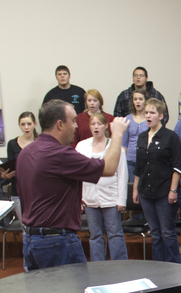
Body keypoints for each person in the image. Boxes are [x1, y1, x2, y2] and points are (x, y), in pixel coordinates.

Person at [16, 100, 127, 270]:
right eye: (73, 121)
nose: (76, 126)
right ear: (60, 124)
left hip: (31, 240)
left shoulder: (26, 153)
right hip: (57, 241)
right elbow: (109, 168)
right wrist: (117, 135)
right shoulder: (60, 155)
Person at [133, 98, 181, 263]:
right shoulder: (141, 137)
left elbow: (177, 166)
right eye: (146, 112)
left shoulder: (171, 137)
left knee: (167, 232)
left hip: (165, 191)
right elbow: (138, 166)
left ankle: (174, 267)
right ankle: (158, 268)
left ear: (160, 116)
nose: (148, 116)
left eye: (152, 113)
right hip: (146, 191)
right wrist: (135, 189)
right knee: (154, 232)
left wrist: (173, 190)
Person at [76, 113, 128, 261]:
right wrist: (78, 198)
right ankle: (97, 267)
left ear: (106, 126)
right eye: (93, 124)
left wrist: (121, 200)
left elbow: (122, 174)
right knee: (95, 235)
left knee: (115, 233)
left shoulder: (114, 144)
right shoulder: (81, 146)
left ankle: (120, 266)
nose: (96, 127)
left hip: (111, 198)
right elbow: (77, 174)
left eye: (99, 123)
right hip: (89, 198)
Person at [1, 112, 38, 224]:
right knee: (25, 225)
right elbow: (11, 166)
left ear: (35, 124)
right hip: (18, 190)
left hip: (37, 190)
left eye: (29, 124)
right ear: (19, 125)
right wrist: (5, 175)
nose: (26, 127)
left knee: (37, 224)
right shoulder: (12, 144)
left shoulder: (40, 142)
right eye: (23, 124)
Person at [121, 88, 150, 182]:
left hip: (146, 160)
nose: (138, 102)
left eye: (140, 99)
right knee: (131, 188)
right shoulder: (127, 119)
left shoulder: (149, 119)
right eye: (135, 99)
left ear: (146, 101)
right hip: (130, 161)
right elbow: (124, 143)